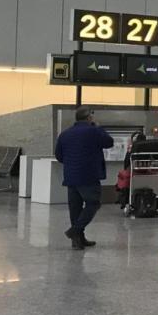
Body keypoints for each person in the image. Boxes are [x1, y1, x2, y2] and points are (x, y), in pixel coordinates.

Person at [54, 107, 114, 250]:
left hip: (71, 177)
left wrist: (72, 165)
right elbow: (109, 142)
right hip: (89, 176)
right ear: (89, 118)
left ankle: (78, 241)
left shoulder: (65, 134)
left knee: (75, 208)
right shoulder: (94, 131)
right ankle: (75, 231)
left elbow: (59, 156)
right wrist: (99, 128)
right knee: (93, 203)